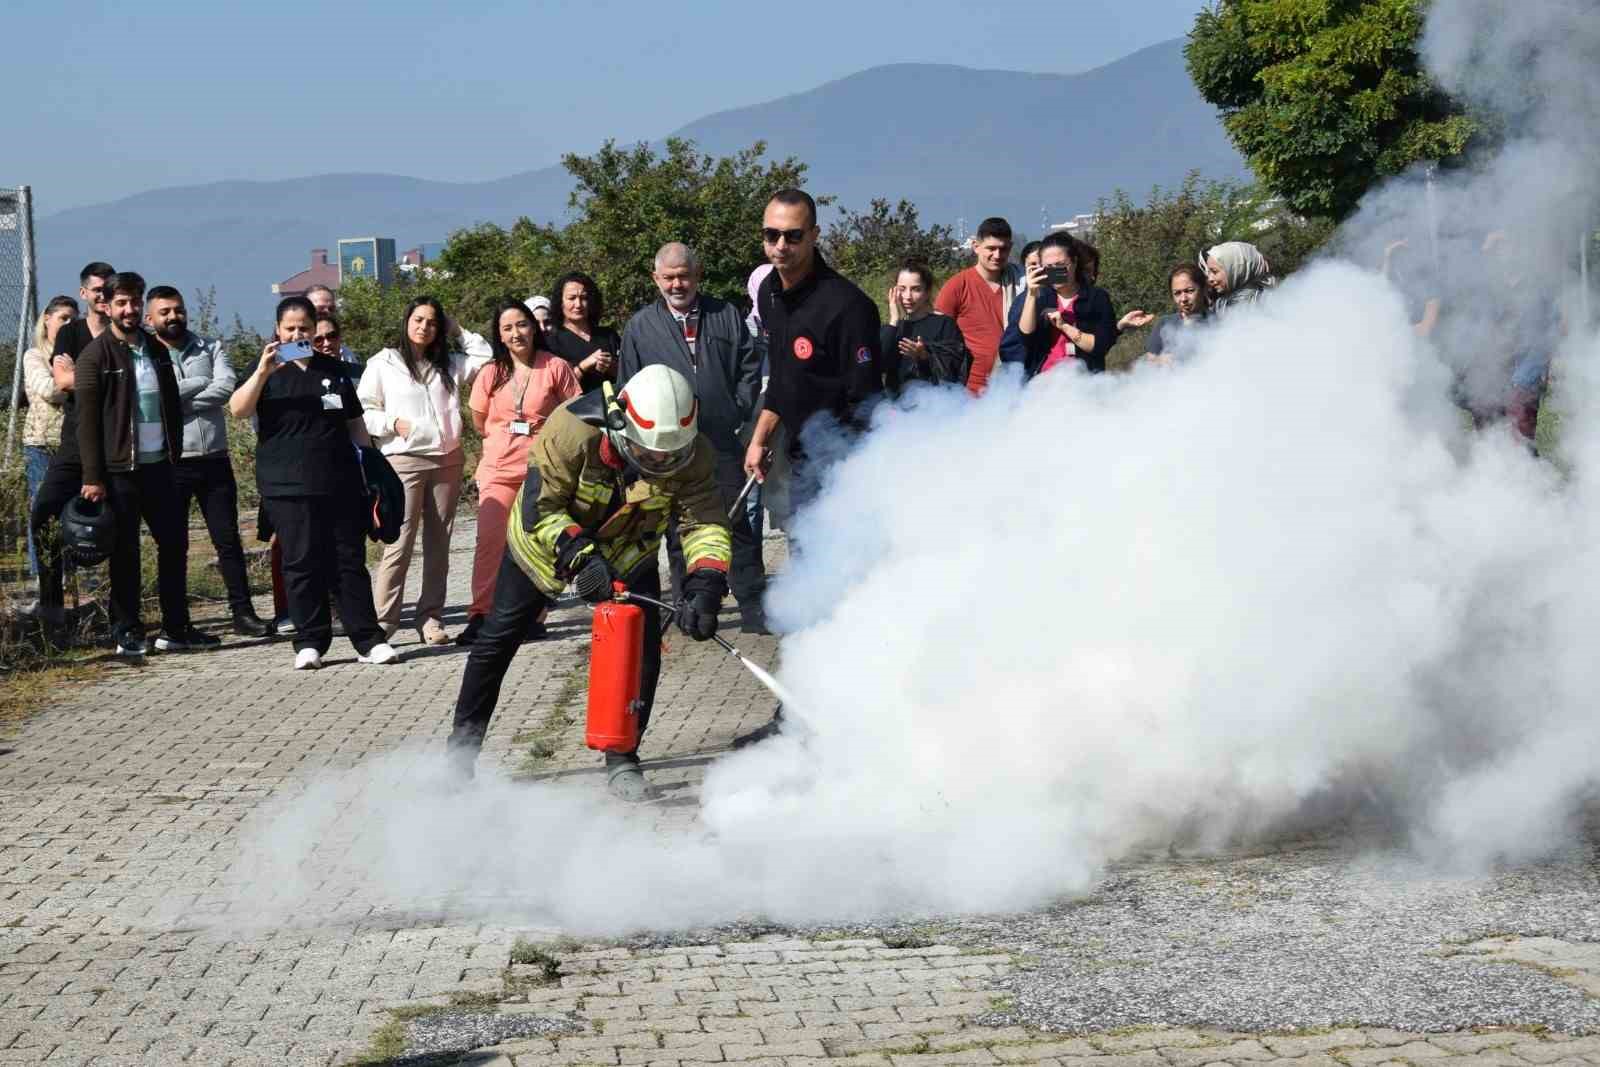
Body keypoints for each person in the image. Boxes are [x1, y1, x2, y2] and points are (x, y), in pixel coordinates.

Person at [446, 364, 732, 801]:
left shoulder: (691, 452)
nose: (661, 464)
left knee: (642, 654)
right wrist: (581, 560)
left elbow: (704, 522)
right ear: (622, 424)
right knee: (496, 641)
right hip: (544, 546)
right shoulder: (571, 428)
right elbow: (540, 508)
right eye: (650, 454)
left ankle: (623, 758)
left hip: (630, 548)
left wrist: (707, 583)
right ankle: (458, 760)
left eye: (670, 457)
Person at [739, 188, 886, 747]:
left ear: (815, 235)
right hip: (797, 471)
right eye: (771, 235)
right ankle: (800, 715)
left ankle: (845, 716)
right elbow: (782, 381)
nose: (781, 246)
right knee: (806, 591)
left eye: (793, 235)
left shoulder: (848, 307)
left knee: (839, 596)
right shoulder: (772, 296)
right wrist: (761, 437)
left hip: (843, 478)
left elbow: (869, 407)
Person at [229, 296, 393, 670]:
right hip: (287, 486)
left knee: (348, 562)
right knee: (301, 563)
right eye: (290, 328)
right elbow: (238, 410)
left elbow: (354, 423)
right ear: (277, 331)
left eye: (304, 327)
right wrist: (262, 372)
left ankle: (368, 640)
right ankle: (309, 641)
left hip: (340, 482)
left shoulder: (333, 370)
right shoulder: (267, 373)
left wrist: (372, 466)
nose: (298, 334)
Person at [618, 242, 768, 633]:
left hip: (721, 440)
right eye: (668, 277)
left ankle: (755, 609)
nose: (677, 284)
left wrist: (738, 408)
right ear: (655, 279)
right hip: (670, 451)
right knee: (678, 531)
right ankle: (692, 611)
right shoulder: (639, 327)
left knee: (738, 524)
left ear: (697, 276)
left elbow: (749, 367)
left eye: (683, 275)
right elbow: (627, 386)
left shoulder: (726, 315)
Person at [73, 272, 215, 656]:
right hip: (120, 472)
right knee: (125, 554)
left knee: (174, 546)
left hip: (160, 467)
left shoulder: (155, 350)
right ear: (107, 306)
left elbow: (170, 404)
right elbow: (86, 423)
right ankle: (128, 631)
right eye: (121, 302)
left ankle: (176, 627)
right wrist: (92, 477)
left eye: (134, 302)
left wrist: (174, 455)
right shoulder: (95, 356)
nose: (129, 309)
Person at [357, 297, 491, 644]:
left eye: (432, 322)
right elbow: (364, 408)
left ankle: (430, 619)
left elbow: (485, 358)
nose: (424, 327)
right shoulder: (383, 362)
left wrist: (458, 329)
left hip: (447, 459)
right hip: (405, 460)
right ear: (406, 321)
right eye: (418, 320)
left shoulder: (447, 363)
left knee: (438, 544)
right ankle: (384, 622)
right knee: (398, 543)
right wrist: (393, 423)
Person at [145, 286, 272, 637]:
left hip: (215, 458)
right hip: (172, 462)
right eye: (165, 312)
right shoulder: (146, 354)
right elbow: (152, 398)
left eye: (178, 309)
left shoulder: (210, 346)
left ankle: (243, 615)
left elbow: (226, 388)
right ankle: (176, 622)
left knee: (228, 541)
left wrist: (176, 398)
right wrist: (198, 385)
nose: (173, 316)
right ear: (149, 318)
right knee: (174, 544)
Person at [460, 299, 581, 646]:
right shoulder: (490, 372)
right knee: (490, 543)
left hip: (541, 469)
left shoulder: (555, 367)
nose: (516, 333)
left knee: (536, 544)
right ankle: (481, 614)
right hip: (498, 469)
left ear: (534, 327)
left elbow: (575, 413)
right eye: (507, 328)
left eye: (522, 325)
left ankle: (533, 616)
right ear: (499, 335)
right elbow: (480, 420)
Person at [29, 263, 115, 632]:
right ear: (85, 293)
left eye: (109, 290)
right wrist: (110, 380)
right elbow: (61, 380)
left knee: (119, 525)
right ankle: (51, 608)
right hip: (73, 443)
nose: (103, 296)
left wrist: (82, 377)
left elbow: (73, 378)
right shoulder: (71, 333)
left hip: (116, 444)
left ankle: (118, 610)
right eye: (97, 290)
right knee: (44, 514)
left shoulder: (122, 331)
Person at [1000, 231, 1120, 379]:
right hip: (1043, 384)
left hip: (1086, 383)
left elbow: (1100, 345)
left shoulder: (1096, 297)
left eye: (1061, 265)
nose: (1055, 271)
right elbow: (1025, 336)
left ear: (1075, 262)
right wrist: (1031, 293)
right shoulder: (1039, 296)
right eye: (1049, 267)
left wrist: (1065, 327)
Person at [21, 296, 79, 577]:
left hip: (74, 444)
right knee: (43, 514)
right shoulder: (35, 355)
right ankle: (42, 578)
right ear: (47, 319)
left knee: (74, 513)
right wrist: (73, 378)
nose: (69, 324)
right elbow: (48, 389)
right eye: (63, 318)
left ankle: (72, 576)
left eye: (73, 319)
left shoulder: (78, 353)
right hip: (43, 443)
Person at [934, 217, 1024, 394]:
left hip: (1013, 385)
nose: (997, 255)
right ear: (976, 246)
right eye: (991, 248)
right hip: (968, 390)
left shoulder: (1022, 284)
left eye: (1003, 249)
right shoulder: (957, 286)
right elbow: (938, 337)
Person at [883, 258, 969, 387]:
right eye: (902, 289)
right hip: (895, 403)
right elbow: (879, 365)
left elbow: (954, 370)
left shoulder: (944, 324)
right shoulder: (893, 327)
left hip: (933, 402)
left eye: (916, 289)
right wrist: (894, 319)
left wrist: (924, 356)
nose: (907, 296)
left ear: (927, 291)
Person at [1118, 264, 1211, 365]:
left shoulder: (1218, 323)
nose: (1183, 299)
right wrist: (1161, 360)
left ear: (1204, 289)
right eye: (1177, 293)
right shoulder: (1165, 323)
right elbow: (1148, 360)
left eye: (1189, 291)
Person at [544, 272, 620, 393]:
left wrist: (611, 367)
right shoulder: (551, 342)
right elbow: (555, 390)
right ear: (560, 302)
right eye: (572, 298)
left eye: (584, 298)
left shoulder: (608, 335)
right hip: (575, 410)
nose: (578, 304)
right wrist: (583, 367)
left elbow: (629, 376)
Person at [1201, 241, 1276, 318]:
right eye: (1208, 273)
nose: (1210, 279)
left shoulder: (1268, 301)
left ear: (1236, 269)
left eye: (1214, 272)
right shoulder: (1221, 306)